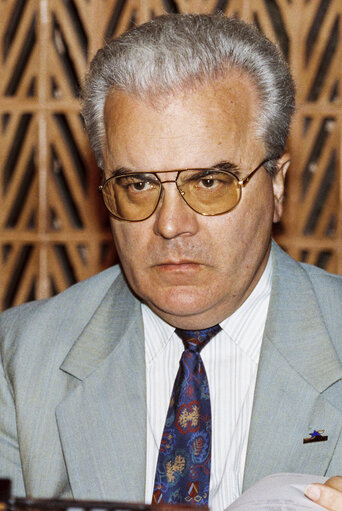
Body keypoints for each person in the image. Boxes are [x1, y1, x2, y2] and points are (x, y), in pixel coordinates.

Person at [0, 13, 341, 511]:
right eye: (137, 185)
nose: (170, 224)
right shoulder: (18, 360)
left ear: (278, 186)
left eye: (209, 182)